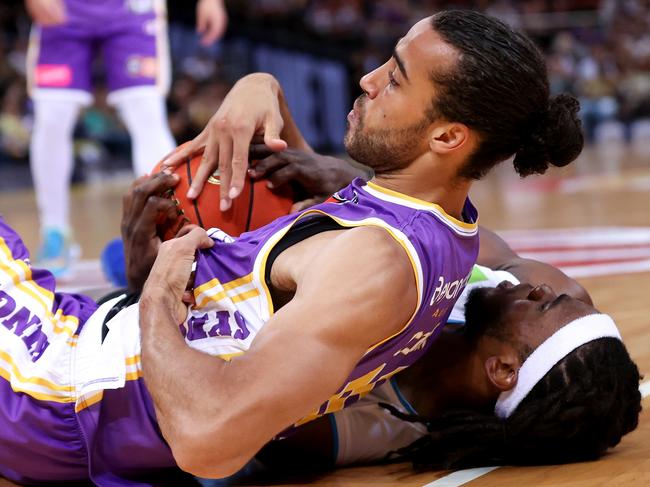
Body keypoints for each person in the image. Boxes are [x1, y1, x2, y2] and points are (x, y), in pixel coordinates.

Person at [1, 10, 584, 484]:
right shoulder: (454, 237)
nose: (369, 79)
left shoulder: (375, 264)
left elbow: (208, 443)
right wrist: (263, 89)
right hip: (78, 359)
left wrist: (158, 287)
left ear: (448, 137)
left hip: (54, 385)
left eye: (396, 78)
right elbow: (314, 236)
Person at [253, 228, 641, 473]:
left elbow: (244, 414)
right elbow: (423, 217)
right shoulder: (525, 289)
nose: (541, 290)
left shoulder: (371, 425)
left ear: (503, 369)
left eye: (544, 305)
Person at [25, 0, 227, 276]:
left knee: (147, 114)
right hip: (64, 8)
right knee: (51, 118)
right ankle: (54, 232)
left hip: (131, 8)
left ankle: (169, 228)